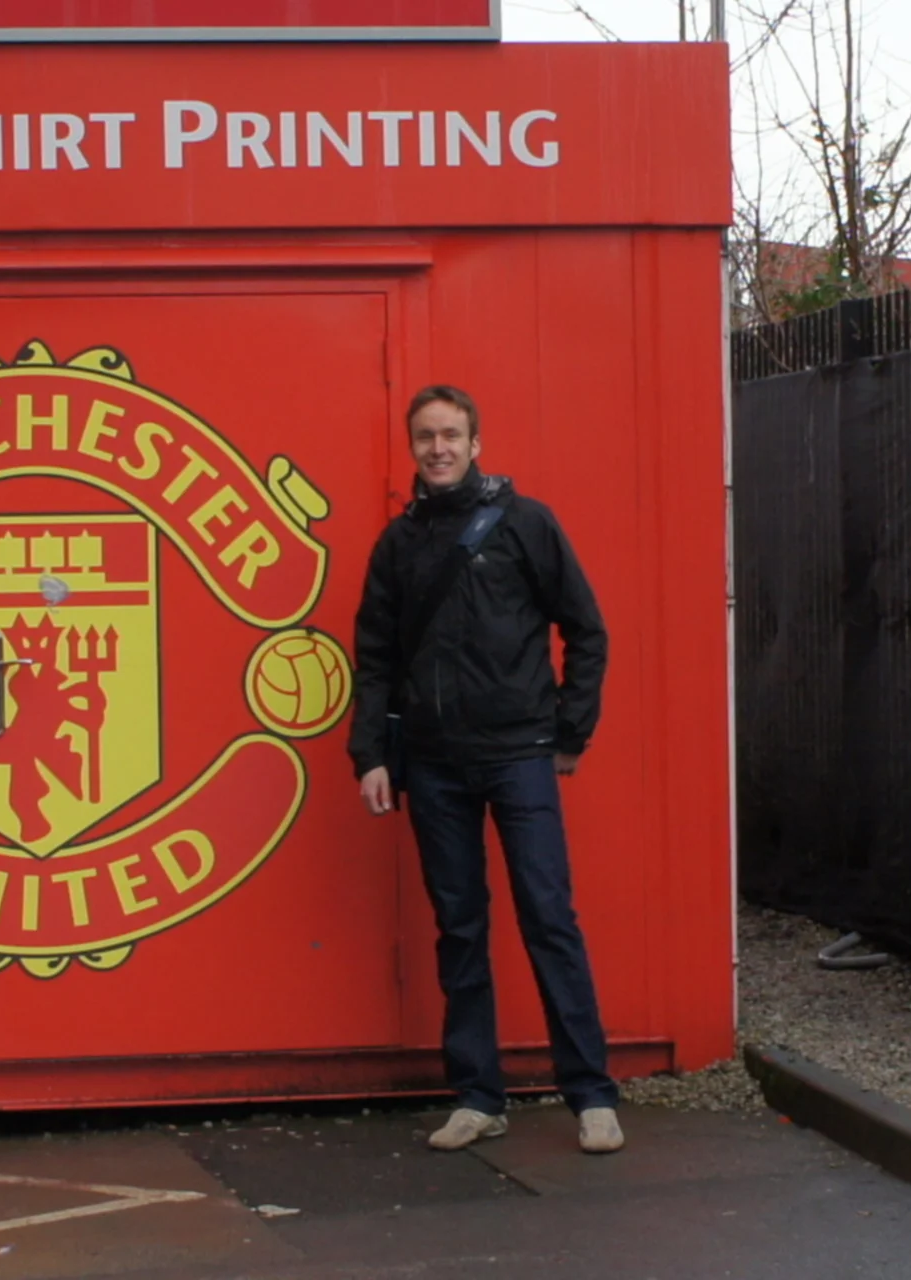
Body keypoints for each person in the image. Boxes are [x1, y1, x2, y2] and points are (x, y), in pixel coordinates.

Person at [348, 384, 624, 1155]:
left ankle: (591, 1096)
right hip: (434, 764)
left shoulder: (525, 523)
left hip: (518, 755)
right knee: (459, 928)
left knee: (548, 917)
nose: (437, 448)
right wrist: (370, 755)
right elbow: (373, 659)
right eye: (425, 436)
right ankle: (477, 1096)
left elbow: (586, 630)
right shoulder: (397, 545)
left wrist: (569, 731)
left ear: (475, 444)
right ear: (412, 447)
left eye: (450, 435)